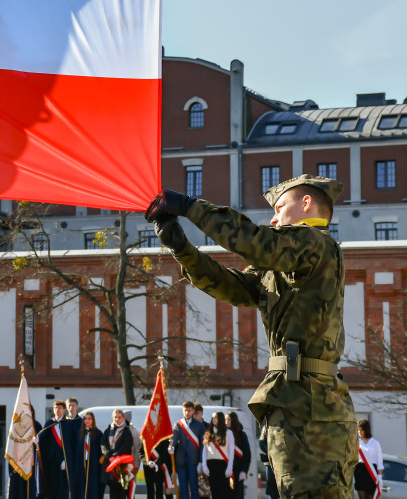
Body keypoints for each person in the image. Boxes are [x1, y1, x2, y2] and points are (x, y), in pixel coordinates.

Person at [146, 175, 358, 498]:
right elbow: (232, 286)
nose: (273, 218)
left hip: (313, 408)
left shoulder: (316, 242)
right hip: (297, 402)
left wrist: (190, 207)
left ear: (306, 204)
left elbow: (255, 242)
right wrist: (183, 249)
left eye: (280, 207)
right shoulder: (287, 262)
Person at [169, 401, 206, 499]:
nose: (187, 413)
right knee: (183, 489)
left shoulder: (199, 425)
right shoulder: (178, 424)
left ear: (193, 411)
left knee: (194, 489)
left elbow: (203, 445)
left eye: (189, 410)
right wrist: (171, 447)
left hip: (194, 462)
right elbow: (174, 439)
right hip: (181, 462)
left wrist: (201, 462)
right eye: (185, 411)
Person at [41, 400, 75, 499]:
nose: (57, 410)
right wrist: (38, 439)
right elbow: (44, 437)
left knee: (62, 486)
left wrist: (66, 459)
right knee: (52, 484)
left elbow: (71, 443)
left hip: (63, 459)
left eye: (60, 408)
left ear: (64, 409)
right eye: (55, 408)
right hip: (51, 459)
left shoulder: (68, 423)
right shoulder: (49, 422)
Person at [7, 404, 43, 499]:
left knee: (31, 489)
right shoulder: (16, 426)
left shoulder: (37, 426)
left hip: (31, 463)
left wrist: (37, 443)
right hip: (19, 461)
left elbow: (41, 446)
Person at [199, 412, 235, 499]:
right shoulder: (208, 433)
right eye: (212, 418)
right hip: (211, 464)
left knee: (223, 491)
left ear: (221, 419)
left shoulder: (228, 433)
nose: (213, 419)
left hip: (223, 464)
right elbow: (205, 450)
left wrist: (230, 467)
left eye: (216, 417)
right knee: (213, 491)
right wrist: (204, 465)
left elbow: (231, 451)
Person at [74, 410, 107, 499]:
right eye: (85, 419)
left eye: (89, 419)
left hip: (93, 465)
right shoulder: (79, 433)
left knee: (92, 486)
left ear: (93, 420)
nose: (87, 421)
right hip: (81, 464)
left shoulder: (98, 433)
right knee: (82, 485)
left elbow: (101, 450)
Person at [104, 409, 135, 499]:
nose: (117, 419)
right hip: (110, 463)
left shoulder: (126, 431)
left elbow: (127, 446)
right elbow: (103, 443)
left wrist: (114, 456)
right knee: (112, 490)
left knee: (121, 491)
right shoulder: (108, 429)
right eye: (115, 417)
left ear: (123, 418)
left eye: (119, 417)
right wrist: (109, 456)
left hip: (121, 466)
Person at [354, 420, 382, 499]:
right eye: (358, 430)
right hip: (359, 471)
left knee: (371, 497)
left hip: (371, 472)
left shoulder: (375, 443)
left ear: (367, 430)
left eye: (362, 430)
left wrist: (379, 476)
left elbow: (380, 462)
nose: (360, 432)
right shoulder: (356, 442)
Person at [142, 430, 174, 499]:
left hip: (159, 466)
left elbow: (165, 453)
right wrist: (147, 462)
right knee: (150, 491)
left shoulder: (164, 437)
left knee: (159, 491)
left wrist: (157, 463)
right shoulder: (145, 435)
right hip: (148, 468)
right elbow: (141, 452)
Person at [228, 412, 251, 499]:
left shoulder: (242, 435)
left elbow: (247, 455)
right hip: (226, 470)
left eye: (229, 420)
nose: (226, 422)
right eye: (225, 420)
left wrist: (244, 470)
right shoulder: (223, 434)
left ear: (234, 421)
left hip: (238, 470)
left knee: (237, 495)